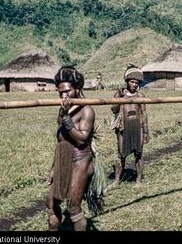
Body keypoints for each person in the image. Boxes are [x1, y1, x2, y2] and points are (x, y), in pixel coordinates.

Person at [45, 66, 105, 231]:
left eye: (67, 91)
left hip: (80, 161)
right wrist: (53, 168)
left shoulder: (87, 110)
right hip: (63, 159)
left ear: (77, 89)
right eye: (60, 92)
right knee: (51, 202)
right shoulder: (63, 109)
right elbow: (61, 142)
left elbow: (81, 139)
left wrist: (66, 119)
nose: (63, 95)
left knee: (73, 207)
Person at [108, 65, 149, 188]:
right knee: (121, 155)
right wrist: (118, 98)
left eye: (137, 82)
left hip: (137, 126)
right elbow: (114, 110)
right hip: (123, 126)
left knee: (139, 153)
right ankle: (116, 180)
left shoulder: (140, 96)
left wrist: (146, 131)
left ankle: (138, 180)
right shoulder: (120, 94)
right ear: (127, 81)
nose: (134, 84)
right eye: (132, 82)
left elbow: (144, 113)